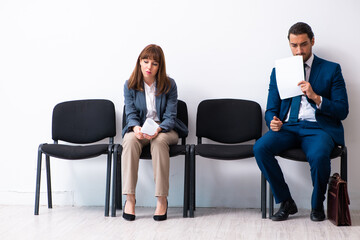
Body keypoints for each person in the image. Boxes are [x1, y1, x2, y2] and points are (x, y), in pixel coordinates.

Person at [253, 22, 349, 222]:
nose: (299, 51)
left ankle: (317, 205)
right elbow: (271, 109)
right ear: (289, 44)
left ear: (312, 41)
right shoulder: (279, 71)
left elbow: (342, 110)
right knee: (260, 147)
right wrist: (273, 121)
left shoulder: (332, 70)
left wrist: (315, 97)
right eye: (294, 45)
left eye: (303, 45)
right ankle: (286, 202)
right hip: (288, 127)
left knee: (320, 155)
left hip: (318, 128)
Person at [121, 44, 188, 221]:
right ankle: (130, 199)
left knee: (159, 142)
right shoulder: (130, 85)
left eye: (154, 63)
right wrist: (136, 128)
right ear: (139, 62)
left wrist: (158, 129)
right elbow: (131, 113)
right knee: (129, 141)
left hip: (166, 129)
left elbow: (171, 116)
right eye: (145, 61)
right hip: (141, 129)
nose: (149, 67)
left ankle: (161, 200)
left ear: (160, 66)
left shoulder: (169, 84)